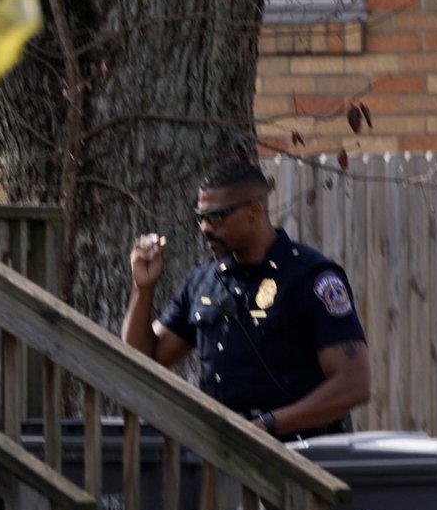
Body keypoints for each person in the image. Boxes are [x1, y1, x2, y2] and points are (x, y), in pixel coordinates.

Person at [121, 158, 370, 440]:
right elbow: (143, 358)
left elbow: (354, 383)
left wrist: (267, 425)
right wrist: (143, 290)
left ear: (254, 211)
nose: (205, 227)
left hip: (301, 456)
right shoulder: (204, 281)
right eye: (200, 217)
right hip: (223, 452)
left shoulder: (310, 278)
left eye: (216, 216)